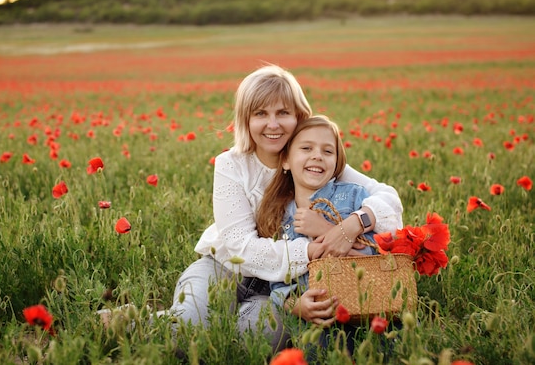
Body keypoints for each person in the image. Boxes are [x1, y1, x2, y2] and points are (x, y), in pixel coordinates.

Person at [170, 64, 402, 349]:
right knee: (188, 331)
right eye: (260, 114)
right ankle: (134, 320)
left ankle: (217, 323)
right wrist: (310, 249)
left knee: (258, 338)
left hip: (277, 288)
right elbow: (240, 246)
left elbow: (388, 198)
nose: (273, 124)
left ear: (298, 116)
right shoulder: (231, 165)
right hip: (223, 269)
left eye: (283, 113)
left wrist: (352, 225)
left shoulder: (314, 160)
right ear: (245, 120)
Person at [259, 115, 377, 321]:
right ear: (285, 160)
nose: (317, 156)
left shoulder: (354, 196)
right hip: (318, 318)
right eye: (306, 148)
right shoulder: (278, 216)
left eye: (328, 151)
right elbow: (276, 279)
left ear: (337, 162)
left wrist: (328, 230)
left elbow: (380, 252)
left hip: (371, 306)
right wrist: (295, 305)